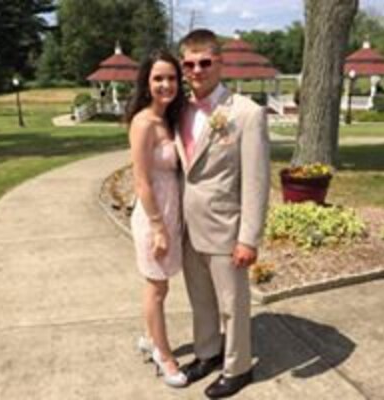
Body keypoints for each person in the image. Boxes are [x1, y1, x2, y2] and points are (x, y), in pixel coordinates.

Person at [175, 29, 270, 398]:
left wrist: (249, 238)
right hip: (187, 227)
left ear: (220, 63)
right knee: (200, 301)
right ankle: (207, 353)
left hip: (226, 228)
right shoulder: (179, 110)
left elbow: (256, 180)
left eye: (205, 62)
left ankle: (238, 367)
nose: (197, 70)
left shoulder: (246, 113)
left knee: (232, 306)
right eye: (189, 64)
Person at [127, 49, 187, 388]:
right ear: (146, 82)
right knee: (157, 286)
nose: (166, 84)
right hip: (153, 217)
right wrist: (158, 227)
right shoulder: (143, 123)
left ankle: (151, 339)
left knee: (160, 285)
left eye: (171, 78)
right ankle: (163, 355)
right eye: (158, 78)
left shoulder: (168, 119)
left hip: (170, 211)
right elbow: (141, 181)